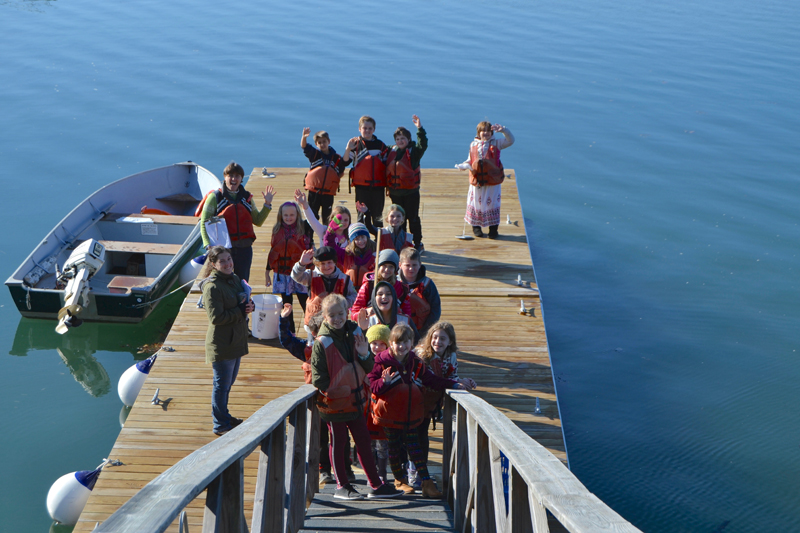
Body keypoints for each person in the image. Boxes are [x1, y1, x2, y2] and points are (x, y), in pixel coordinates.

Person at [310, 294, 402, 499]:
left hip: (357, 402)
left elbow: (370, 367)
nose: (337, 318)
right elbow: (318, 379)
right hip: (335, 404)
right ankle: (342, 486)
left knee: (363, 439)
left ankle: (376, 485)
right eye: (332, 315)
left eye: (341, 313)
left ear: (347, 312)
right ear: (325, 317)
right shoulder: (321, 343)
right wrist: (336, 391)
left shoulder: (355, 333)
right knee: (339, 442)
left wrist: (363, 353)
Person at [367, 323, 472, 498]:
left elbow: (431, 380)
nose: (401, 347)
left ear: (411, 343)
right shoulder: (382, 362)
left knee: (414, 445)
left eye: (405, 343)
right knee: (393, 447)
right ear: (390, 344)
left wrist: (454, 383)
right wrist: (383, 383)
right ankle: (400, 481)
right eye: (397, 343)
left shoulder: (415, 362)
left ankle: (426, 483)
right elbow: (373, 386)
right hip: (389, 413)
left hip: (408, 412)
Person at [278, 304, 352, 485]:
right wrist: (284, 320)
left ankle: (345, 468)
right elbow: (287, 340)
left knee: (341, 435)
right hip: (317, 400)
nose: (319, 338)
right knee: (319, 437)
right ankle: (324, 469)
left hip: (339, 399)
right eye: (315, 334)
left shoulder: (342, 346)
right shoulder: (308, 349)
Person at [200, 246, 254, 436]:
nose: (228, 263)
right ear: (213, 264)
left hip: (236, 340)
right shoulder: (212, 287)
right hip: (222, 344)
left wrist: (249, 305)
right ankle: (220, 424)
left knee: (227, 384)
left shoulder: (235, 279)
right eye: (222, 261)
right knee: (221, 386)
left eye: (229, 259)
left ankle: (224, 415)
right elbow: (216, 318)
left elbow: (242, 299)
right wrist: (240, 311)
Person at [198, 161, 275, 281]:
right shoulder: (214, 197)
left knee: (242, 281)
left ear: (241, 179)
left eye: (237, 176)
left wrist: (267, 204)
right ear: (225, 177)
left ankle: (242, 299)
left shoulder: (247, 198)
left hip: (244, 248)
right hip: (223, 249)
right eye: (230, 175)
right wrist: (208, 245)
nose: (234, 179)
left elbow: (258, 221)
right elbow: (204, 223)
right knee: (222, 280)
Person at [415, 322, 477, 467]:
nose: (437, 341)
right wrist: (454, 383)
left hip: (430, 402)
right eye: (434, 337)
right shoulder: (422, 355)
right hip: (416, 398)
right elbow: (430, 380)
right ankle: (414, 471)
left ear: (450, 342)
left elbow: (452, 377)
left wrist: (463, 382)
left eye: (442, 338)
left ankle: (421, 472)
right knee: (416, 435)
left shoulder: (451, 356)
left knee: (422, 434)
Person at [456, 122, 515, 239]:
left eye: (488, 131)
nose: (486, 133)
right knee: (476, 203)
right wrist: (463, 165)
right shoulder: (473, 144)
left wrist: (504, 130)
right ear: (478, 132)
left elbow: (511, 140)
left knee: (492, 204)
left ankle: (493, 230)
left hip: (492, 181)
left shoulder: (497, 143)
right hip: (477, 180)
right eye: (483, 131)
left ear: (492, 132)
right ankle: (476, 227)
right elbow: (470, 160)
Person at [265, 201, 313, 331]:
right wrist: (267, 272)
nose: (288, 217)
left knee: (305, 301)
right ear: (281, 215)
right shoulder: (276, 230)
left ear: (297, 214)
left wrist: (304, 204)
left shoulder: (305, 228)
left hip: (300, 272)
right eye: (285, 215)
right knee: (287, 304)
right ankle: (289, 331)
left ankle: (313, 327)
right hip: (282, 273)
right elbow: (273, 252)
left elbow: (314, 219)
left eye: (292, 214)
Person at [385, 115, 427, 251]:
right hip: (395, 193)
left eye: (403, 138)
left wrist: (420, 129)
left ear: (408, 139)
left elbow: (423, 145)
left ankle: (417, 243)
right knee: (399, 220)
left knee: (413, 218)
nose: (400, 141)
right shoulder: (391, 151)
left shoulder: (414, 152)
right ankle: (401, 242)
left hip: (411, 193)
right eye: (397, 139)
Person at [291, 246, 357, 326]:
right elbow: (296, 276)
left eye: (329, 262)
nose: (326, 266)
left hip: (337, 323)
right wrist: (301, 264)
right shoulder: (310, 275)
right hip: (314, 323)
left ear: (335, 262)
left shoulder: (344, 278)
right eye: (322, 264)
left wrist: (343, 304)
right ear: (317, 264)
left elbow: (354, 295)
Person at [346, 116, 388, 230]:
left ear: (374, 129)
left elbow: (387, 164)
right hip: (361, 187)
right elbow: (345, 162)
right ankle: (362, 243)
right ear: (360, 129)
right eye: (365, 128)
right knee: (361, 217)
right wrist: (348, 149)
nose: (367, 131)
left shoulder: (381, 145)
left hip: (378, 187)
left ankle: (378, 243)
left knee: (378, 217)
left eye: (370, 128)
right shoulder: (355, 145)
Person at [301, 128, 349, 225]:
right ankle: (308, 238)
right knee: (312, 215)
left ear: (329, 141)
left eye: (324, 141)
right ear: (316, 144)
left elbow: (341, 172)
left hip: (328, 193)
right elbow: (304, 147)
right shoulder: (315, 155)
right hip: (314, 192)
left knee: (327, 217)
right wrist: (304, 137)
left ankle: (326, 238)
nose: (322, 144)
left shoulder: (336, 158)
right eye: (319, 142)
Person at [350, 249, 411, 320]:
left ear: (395, 269)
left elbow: (408, 317)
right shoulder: (368, 286)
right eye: (384, 265)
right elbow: (354, 313)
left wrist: (399, 313)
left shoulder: (402, 289)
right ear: (378, 266)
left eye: (391, 267)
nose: (387, 269)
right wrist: (366, 312)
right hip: (371, 327)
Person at [365, 324, 391, 483]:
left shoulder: (388, 362)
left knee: (382, 444)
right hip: (366, 408)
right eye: (374, 343)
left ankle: (382, 473)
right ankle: (371, 473)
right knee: (367, 442)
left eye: (382, 344)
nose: (378, 347)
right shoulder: (364, 359)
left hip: (381, 409)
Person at [356, 280, 419, 345]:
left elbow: (417, 343)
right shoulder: (369, 321)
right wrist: (363, 330)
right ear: (374, 299)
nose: (384, 297)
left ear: (394, 298)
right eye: (380, 294)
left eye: (388, 294)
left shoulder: (405, 321)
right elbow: (361, 347)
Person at [398, 247, 441, 337]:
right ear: (400, 265)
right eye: (407, 265)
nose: (411, 268)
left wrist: (426, 331)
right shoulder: (395, 283)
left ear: (420, 265)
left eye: (414, 265)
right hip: (399, 330)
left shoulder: (428, 284)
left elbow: (436, 309)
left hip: (422, 330)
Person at [332, 222, 376, 288]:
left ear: (367, 237)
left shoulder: (375, 253)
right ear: (352, 241)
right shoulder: (346, 254)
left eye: (363, 237)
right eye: (357, 239)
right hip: (349, 291)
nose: (360, 241)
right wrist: (330, 233)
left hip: (367, 291)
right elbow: (331, 246)